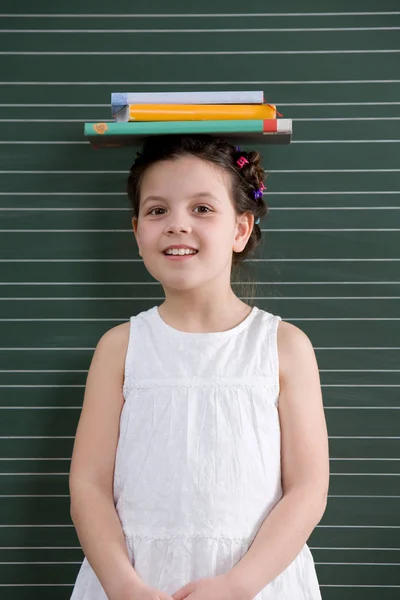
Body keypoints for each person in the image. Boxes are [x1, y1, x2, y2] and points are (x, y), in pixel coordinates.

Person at [69, 134, 329, 600]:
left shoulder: (284, 346)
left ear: (240, 229)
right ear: (136, 231)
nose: (177, 225)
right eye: (157, 210)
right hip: (134, 578)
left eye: (202, 209)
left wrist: (237, 585)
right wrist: (122, 586)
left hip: (255, 580)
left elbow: (308, 489)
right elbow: (88, 484)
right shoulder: (120, 348)